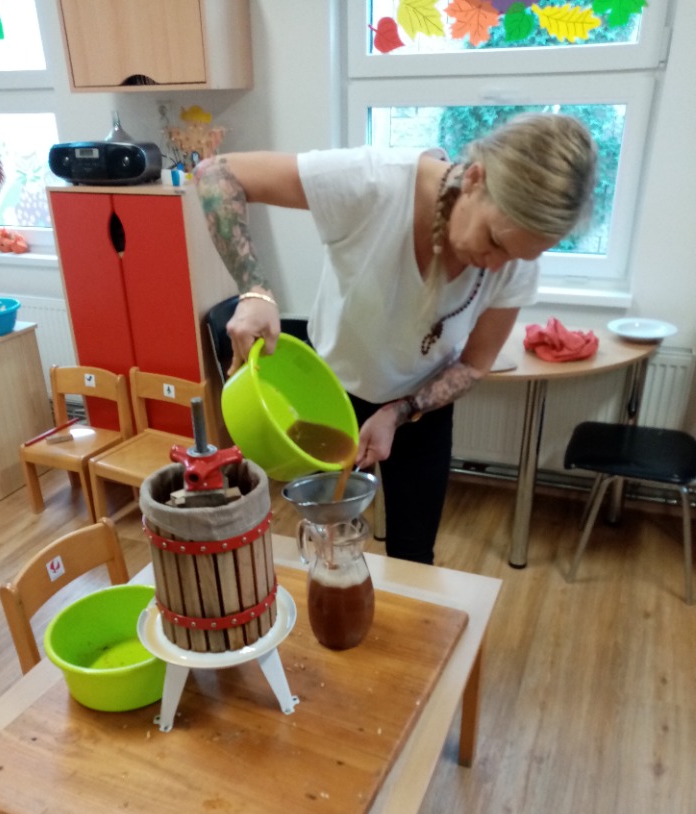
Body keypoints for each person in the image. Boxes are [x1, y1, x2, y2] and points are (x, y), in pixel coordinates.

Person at [195, 113, 597, 564]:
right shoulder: (375, 183)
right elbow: (216, 173)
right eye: (495, 241)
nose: (497, 267)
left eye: (520, 257)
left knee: (413, 554)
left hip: (420, 407)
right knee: (325, 543)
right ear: (475, 179)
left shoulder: (515, 265)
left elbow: (474, 364)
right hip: (325, 395)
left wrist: (400, 412)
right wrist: (254, 290)